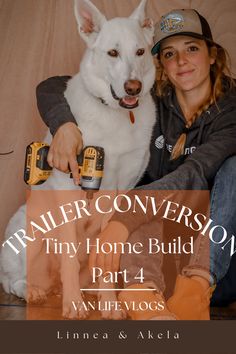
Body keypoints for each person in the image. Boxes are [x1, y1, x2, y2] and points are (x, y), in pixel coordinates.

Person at [36, 9, 236, 320]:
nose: (181, 61)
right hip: (147, 258)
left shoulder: (232, 111)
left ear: (212, 55)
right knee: (142, 190)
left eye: (192, 48)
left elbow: (192, 174)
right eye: (170, 53)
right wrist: (64, 125)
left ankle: (195, 288)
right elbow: (53, 86)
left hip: (214, 262)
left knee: (233, 170)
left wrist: (122, 221)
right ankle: (143, 295)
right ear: (160, 63)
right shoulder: (147, 96)